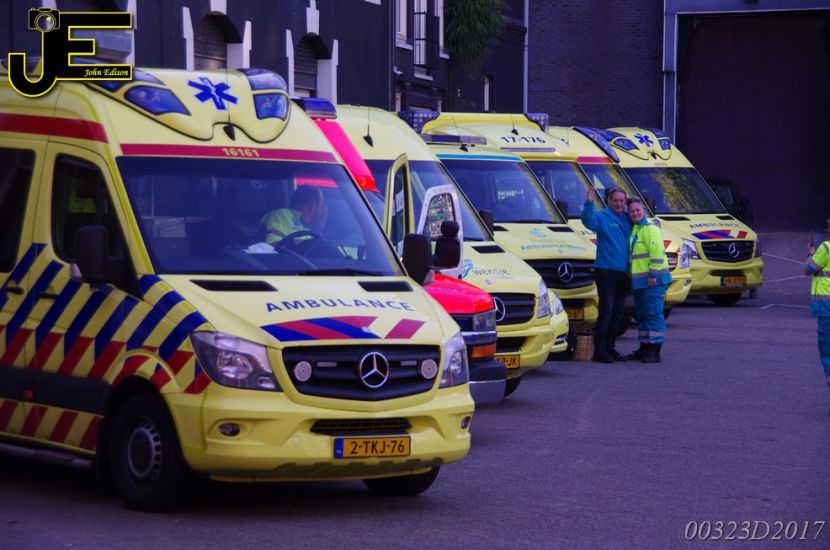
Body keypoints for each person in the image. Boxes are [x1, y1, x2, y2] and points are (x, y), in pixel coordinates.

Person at [581, 187, 631, 363]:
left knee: (618, 313)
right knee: (607, 311)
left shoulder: (628, 217)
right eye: (615, 200)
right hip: (606, 271)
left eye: (622, 201)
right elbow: (588, 221)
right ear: (609, 201)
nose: (619, 204)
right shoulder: (602, 217)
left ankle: (610, 346)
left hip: (624, 272)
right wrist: (589, 203)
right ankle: (600, 351)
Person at [627, 197, 672, 363]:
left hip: (653, 280)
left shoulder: (650, 228)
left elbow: (656, 253)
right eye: (632, 211)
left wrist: (653, 274)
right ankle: (644, 347)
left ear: (644, 210)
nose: (635, 213)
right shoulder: (636, 228)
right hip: (640, 281)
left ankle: (654, 350)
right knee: (643, 315)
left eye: (638, 210)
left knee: (653, 314)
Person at [805, 235, 830, 406]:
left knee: (828, 353)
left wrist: (811, 253)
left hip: (826, 308)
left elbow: (808, 269)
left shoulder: (826, 248)